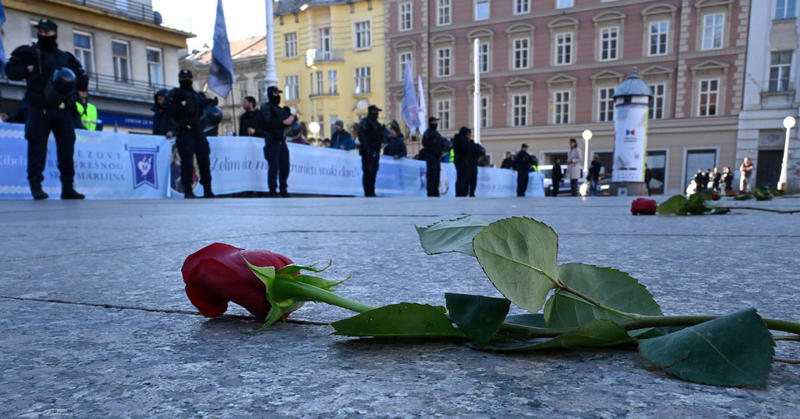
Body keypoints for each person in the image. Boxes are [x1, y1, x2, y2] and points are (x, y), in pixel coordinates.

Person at [5, 19, 88, 200]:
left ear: (54, 34)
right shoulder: (30, 53)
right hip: (38, 108)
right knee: (37, 147)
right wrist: (27, 69)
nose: (43, 35)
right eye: (41, 32)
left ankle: (68, 187)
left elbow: (81, 77)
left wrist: (81, 89)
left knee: (66, 148)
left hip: (62, 108)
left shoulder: (65, 57)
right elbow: (10, 71)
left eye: (47, 32)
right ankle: (36, 186)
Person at [165, 69, 217, 198]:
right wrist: (180, 105)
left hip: (198, 130)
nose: (186, 81)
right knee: (187, 161)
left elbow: (208, 105)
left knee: (204, 159)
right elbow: (167, 108)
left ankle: (208, 189)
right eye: (184, 79)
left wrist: (211, 99)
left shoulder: (196, 95)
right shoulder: (175, 94)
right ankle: (188, 190)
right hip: (185, 130)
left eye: (188, 78)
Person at [260, 86, 296, 197]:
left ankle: (283, 188)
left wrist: (292, 118)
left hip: (281, 141)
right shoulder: (266, 107)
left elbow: (291, 121)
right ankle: (273, 190)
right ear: (270, 95)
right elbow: (267, 123)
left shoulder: (281, 110)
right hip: (272, 141)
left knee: (285, 166)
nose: (278, 96)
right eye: (275, 94)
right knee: (274, 166)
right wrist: (283, 122)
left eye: (278, 94)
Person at [358, 105, 385, 197]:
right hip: (367, 152)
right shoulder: (364, 122)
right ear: (372, 112)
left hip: (375, 151)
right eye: (376, 112)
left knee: (373, 172)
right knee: (367, 172)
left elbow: (380, 138)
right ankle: (367, 192)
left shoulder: (377, 124)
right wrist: (367, 149)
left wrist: (383, 133)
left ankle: (372, 191)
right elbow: (362, 137)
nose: (377, 114)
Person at [422, 116, 449, 197]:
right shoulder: (428, 133)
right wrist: (435, 149)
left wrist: (445, 146)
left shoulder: (436, 133)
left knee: (436, 176)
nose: (436, 123)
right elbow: (426, 144)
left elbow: (441, 143)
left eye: (437, 122)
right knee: (431, 176)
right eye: (434, 122)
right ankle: (431, 193)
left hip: (437, 157)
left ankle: (435, 192)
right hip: (431, 158)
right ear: (431, 122)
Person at [453, 126, 478, 197]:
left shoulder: (460, 140)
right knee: (462, 178)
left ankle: (462, 193)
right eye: (468, 134)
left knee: (462, 178)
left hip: (462, 161)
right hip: (462, 161)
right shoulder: (462, 140)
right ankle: (461, 193)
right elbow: (466, 151)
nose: (469, 136)